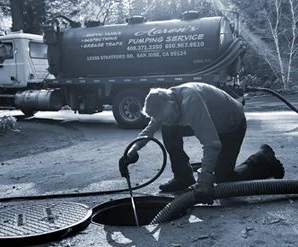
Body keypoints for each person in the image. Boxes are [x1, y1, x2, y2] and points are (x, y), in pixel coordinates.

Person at [120, 82, 284, 203]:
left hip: (231, 125)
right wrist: (131, 152)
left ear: (171, 103)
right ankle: (183, 177)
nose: (164, 120)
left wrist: (204, 183)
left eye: (166, 116)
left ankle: (263, 158)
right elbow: (148, 131)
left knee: (223, 178)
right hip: (211, 119)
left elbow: (212, 145)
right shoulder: (165, 103)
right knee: (168, 128)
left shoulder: (191, 101)